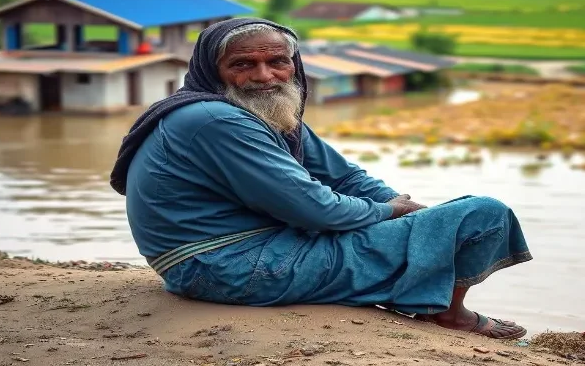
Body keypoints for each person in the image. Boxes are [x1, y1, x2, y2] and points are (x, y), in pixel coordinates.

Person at [110, 18, 533, 339]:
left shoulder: (263, 110)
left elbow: (343, 176)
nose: (263, 76)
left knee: (443, 220)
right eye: (243, 65)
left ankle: (422, 297)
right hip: (227, 267)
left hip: (219, 261)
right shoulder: (216, 119)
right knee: (484, 214)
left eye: (277, 62)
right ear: (212, 69)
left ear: (293, 66)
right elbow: (312, 208)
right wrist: (390, 211)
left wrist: (411, 212)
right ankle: (446, 313)